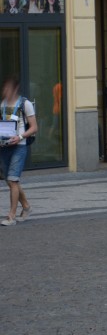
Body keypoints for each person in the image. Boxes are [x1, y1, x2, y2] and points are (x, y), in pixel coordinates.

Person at [0, 75, 35, 226]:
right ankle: (26, 206)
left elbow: (34, 127)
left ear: (14, 89)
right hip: (5, 146)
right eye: (4, 88)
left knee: (13, 180)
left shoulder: (25, 104)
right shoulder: (2, 104)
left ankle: (11, 216)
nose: (4, 90)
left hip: (19, 146)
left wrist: (20, 136)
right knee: (10, 180)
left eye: (7, 88)